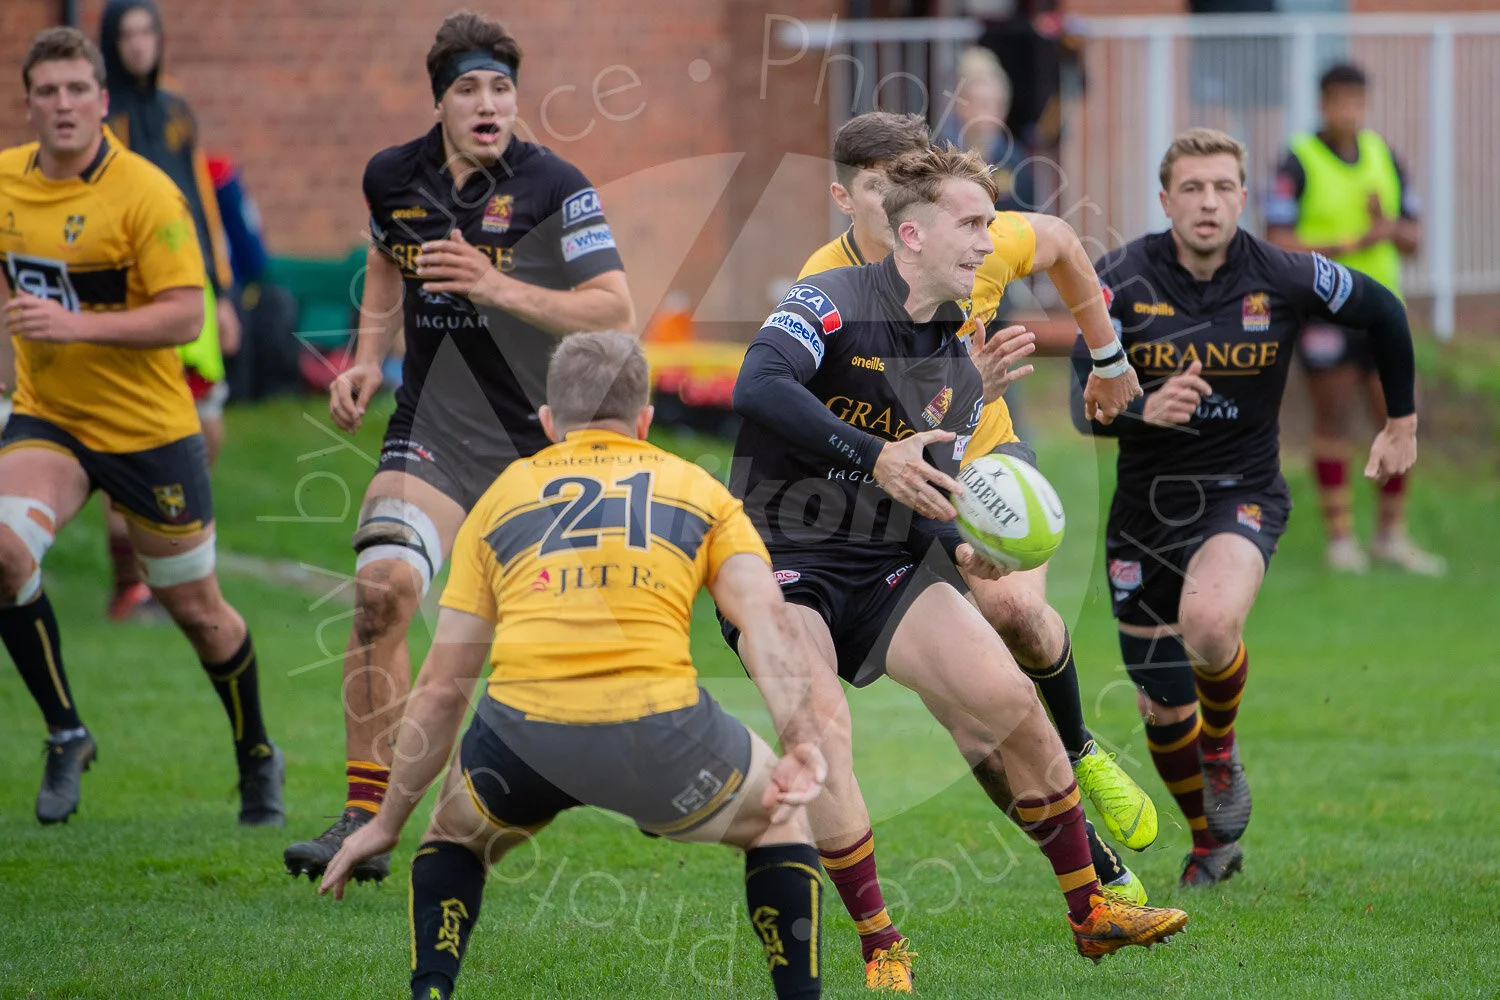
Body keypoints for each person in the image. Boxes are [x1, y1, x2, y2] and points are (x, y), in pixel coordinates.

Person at [727, 142, 1188, 982]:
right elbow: (757, 387)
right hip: (779, 557)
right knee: (819, 727)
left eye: (989, 221)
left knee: (1011, 701)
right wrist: (876, 457)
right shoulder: (827, 297)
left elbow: (928, 475)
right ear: (911, 234)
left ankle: (1093, 910)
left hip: (883, 562)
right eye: (971, 223)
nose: (987, 239)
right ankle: (880, 945)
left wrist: (963, 537)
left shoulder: (951, 344)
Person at [320, 332, 828, 1000]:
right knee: (779, 819)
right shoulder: (698, 492)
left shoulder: (504, 497)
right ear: (644, 420)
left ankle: (431, 990)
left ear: (550, 424)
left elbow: (444, 687)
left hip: (526, 737)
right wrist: (799, 744)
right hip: (662, 735)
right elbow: (769, 621)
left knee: (454, 838)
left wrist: (386, 823)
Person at [282, 11, 634, 884]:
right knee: (381, 590)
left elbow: (612, 307)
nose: (488, 104)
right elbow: (387, 259)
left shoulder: (556, 186)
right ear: (439, 100)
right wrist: (366, 359)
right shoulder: (391, 177)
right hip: (431, 431)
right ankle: (364, 813)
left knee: (556, 649)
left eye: (502, 88)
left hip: (535, 445)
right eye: (470, 89)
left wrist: (496, 285)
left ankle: (638, 770)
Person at [1071, 128, 1419, 887]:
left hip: (1242, 492)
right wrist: (1142, 411)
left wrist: (1401, 422)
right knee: (1162, 706)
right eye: (1191, 188)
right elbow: (1083, 407)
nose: (1208, 202)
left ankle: (1221, 746)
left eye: (1223, 187)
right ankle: (1210, 842)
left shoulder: (1285, 273)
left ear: (1243, 197)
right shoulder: (1116, 280)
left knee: (1210, 623)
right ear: (1165, 200)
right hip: (1144, 513)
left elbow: (1385, 310)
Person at [0, 27, 282, 826]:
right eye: (46, 92)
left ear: (101, 101)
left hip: (148, 429)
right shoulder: (5, 184)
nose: (62, 106)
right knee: (4, 553)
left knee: (198, 612)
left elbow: (183, 314)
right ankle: (65, 730)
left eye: (75, 91)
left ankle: (256, 751)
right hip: (51, 420)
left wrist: (71, 327)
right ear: (29, 105)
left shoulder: (148, 193)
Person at [1265, 63, 1442, 575]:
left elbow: (1412, 237)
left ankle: (1391, 533)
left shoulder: (1384, 156)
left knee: (1399, 415)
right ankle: (1341, 538)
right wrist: (1347, 244)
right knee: (1333, 416)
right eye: (1340, 101)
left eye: (1357, 102)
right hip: (1327, 311)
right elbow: (1276, 240)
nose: (1350, 112)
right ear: (1323, 104)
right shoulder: (1299, 160)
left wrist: (1388, 228)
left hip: (1384, 313)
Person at [99, 0, 244, 620]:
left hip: (197, 290)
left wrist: (226, 290)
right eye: (126, 35)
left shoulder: (176, 109)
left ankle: (172, 560)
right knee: (132, 436)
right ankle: (130, 584)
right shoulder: (101, 119)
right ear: (111, 43)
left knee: (205, 428)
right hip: (139, 297)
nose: (138, 45)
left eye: (147, 33)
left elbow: (202, 203)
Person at [935, 47, 1036, 213]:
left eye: (996, 104)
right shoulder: (941, 154)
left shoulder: (1014, 159)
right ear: (960, 105)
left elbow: (1027, 215)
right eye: (980, 103)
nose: (988, 114)